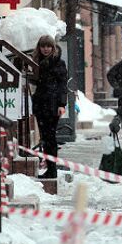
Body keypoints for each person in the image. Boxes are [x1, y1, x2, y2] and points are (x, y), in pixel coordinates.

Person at [31, 35, 68, 179]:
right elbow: (34, 81)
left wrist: (61, 104)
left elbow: (62, 85)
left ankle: (52, 170)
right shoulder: (36, 61)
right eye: (43, 46)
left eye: (48, 46)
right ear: (39, 47)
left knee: (50, 137)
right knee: (45, 137)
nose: (46, 49)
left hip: (52, 105)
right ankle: (50, 168)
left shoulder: (58, 63)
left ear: (53, 47)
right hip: (40, 103)